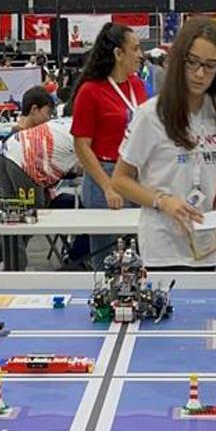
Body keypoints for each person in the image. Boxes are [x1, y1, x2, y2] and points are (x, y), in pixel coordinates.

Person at [112, 17, 216, 270]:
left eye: (210, 66)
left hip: (206, 246)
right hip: (163, 248)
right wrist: (162, 201)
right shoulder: (151, 115)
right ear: (179, 60)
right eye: (192, 62)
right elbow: (120, 180)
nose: (200, 73)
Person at [70, 21, 146, 267]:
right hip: (105, 173)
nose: (140, 54)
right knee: (107, 257)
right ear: (118, 53)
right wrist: (107, 186)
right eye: (135, 48)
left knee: (137, 253)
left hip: (136, 173)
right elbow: (82, 145)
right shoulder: (90, 91)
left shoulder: (137, 86)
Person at [0, 86, 80, 270]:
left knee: (14, 217)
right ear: (35, 109)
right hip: (23, 162)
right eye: (47, 112)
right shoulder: (78, 128)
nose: (48, 117)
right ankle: (5, 264)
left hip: (7, 153)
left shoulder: (61, 124)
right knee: (28, 216)